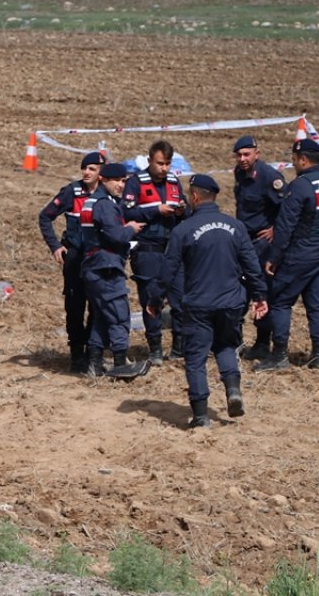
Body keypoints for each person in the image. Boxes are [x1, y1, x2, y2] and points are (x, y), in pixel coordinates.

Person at [152, 174, 269, 429]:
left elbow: (168, 269)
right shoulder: (235, 227)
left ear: (194, 197)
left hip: (198, 304)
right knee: (226, 346)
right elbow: (251, 264)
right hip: (231, 302)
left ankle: (201, 415)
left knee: (195, 358)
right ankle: (233, 390)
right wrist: (259, 295)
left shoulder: (183, 229)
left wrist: (155, 299)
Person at [254, 139, 319, 371]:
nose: (293, 164)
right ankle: (318, 355)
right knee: (318, 305)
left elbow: (284, 228)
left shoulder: (300, 186)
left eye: (294, 160)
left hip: (299, 256)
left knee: (281, 302)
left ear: (303, 159)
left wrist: (273, 257)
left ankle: (279, 355)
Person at [122, 140, 190, 365]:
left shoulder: (173, 182)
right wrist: (155, 210)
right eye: (160, 163)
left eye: (168, 164)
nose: (164, 168)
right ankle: (155, 350)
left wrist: (181, 210)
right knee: (152, 300)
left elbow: (186, 209)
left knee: (180, 300)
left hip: (173, 250)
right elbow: (125, 210)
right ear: (150, 160)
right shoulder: (135, 182)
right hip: (147, 249)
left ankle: (179, 348)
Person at [38, 151, 103, 373]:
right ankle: (77, 357)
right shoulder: (71, 192)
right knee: (75, 308)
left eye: (92, 169)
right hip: (75, 258)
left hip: (98, 259)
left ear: (101, 173)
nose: (86, 172)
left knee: (98, 306)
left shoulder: (108, 194)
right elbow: (45, 216)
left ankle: (94, 355)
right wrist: (55, 246)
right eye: (84, 168)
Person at [80, 163, 146, 377]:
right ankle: (120, 363)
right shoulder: (105, 205)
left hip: (95, 267)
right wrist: (130, 229)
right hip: (105, 268)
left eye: (124, 180)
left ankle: (95, 364)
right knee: (119, 315)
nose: (121, 185)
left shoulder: (95, 202)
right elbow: (116, 236)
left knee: (101, 317)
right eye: (116, 180)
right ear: (103, 180)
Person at [230, 135, 286, 361]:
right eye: (239, 155)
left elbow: (288, 208)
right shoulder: (239, 174)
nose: (242, 159)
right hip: (245, 239)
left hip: (263, 243)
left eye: (246, 154)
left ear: (257, 154)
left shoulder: (270, 177)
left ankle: (263, 342)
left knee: (261, 288)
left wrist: (274, 229)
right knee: (239, 286)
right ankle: (234, 339)